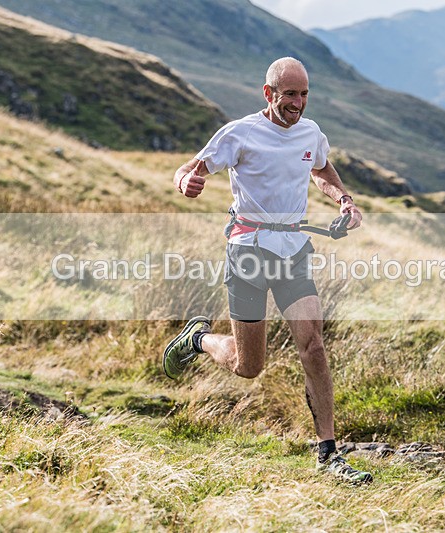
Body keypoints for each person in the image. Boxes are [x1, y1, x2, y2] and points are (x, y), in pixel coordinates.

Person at [163, 57, 372, 484]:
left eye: (304, 94)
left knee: (312, 346)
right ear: (269, 93)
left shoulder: (311, 133)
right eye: (290, 94)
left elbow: (321, 168)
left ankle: (328, 453)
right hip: (248, 252)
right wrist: (186, 181)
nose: (298, 103)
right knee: (248, 366)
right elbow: (189, 169)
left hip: (293, 249)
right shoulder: (239, 133)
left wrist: (344, 199)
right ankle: (199, 338)